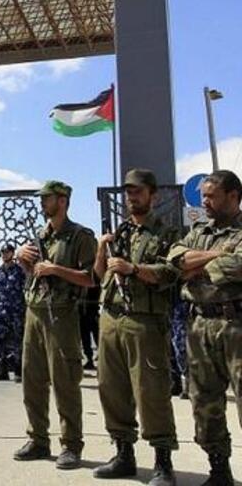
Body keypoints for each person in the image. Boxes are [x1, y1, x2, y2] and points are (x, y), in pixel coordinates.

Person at [92, 169, 181, 485]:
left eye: (138, 191)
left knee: (151, 391)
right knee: (112, 390)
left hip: (145, 320)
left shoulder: (166, 233)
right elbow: (99, 275)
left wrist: (133, 268)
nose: (132, 196)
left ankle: (162, 462)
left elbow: (171, 272)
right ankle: (123, 455)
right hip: (111, 317)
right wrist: (103, 249)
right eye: (128, 191)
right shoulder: (121, 232)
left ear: (152, 195)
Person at [13, 180, 97, 470]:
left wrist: (55, 269)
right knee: (32, 382)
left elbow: (91, 279)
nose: (42, 202)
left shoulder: (81, 236)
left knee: (65, 383)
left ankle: (71, 445)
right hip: (34, 313)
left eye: (47, 198)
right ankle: (38, 439)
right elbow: (35, 275)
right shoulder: (40, 236)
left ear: (62, 201)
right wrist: (23, 261)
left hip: (62, 315)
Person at [167, 169, 242, 485]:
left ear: (233, 197)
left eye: (212, 196)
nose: (205, 202)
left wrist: (197, 266)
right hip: (199, 325)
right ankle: (219, 470)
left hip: (236, 324)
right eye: (204, 196)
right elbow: (174, 259)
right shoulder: (199, 231)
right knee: (204, 403)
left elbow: (234, 267)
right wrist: (215, 254)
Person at [0, 243, 26, 382]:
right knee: (0, 340)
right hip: (2, 311)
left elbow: (25, 289)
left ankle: (18, 370)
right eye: (3, 251)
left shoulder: (19, 271)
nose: (4, 254)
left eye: (7, 251)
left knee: (17, 339)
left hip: (16, 310)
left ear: (12, 253)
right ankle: (2, 370)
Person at [79, 282, 100, 371]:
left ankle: (100, 357)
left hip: (92, 311)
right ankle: (89, 359)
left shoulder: (94, 284)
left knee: (97, 336)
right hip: (83, 313)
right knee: (85, 338)